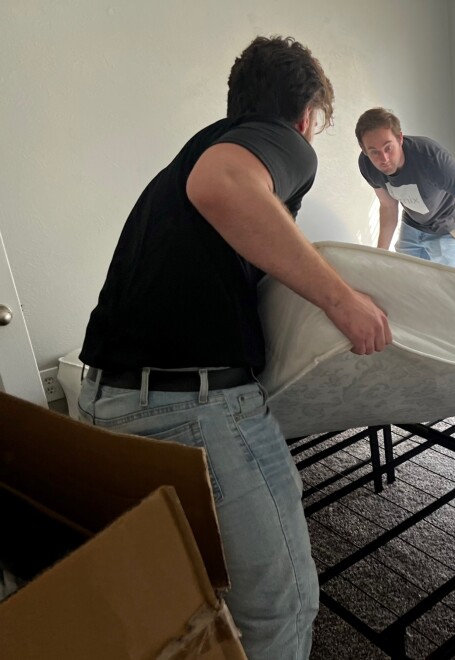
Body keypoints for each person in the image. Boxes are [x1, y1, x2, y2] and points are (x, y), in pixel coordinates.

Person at [77, 36, 391, 660]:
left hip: (102, 401)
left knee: (187, 599)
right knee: (283, 605)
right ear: (306, 116)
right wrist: (342, 301)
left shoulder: (193, 150)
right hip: (192, 407)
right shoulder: (278, 142)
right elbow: (223, 185)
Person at [355, 107, 455, 271]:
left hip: (448, 228)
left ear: (400, 138)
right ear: (364, 150)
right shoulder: (367, 165)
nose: (384, 159)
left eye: (388, 148)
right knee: (407, 278)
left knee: (446, 287)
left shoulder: (432, 159)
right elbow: (388, 206)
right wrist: (380, 254)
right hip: (412, 224)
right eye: (374, 152)